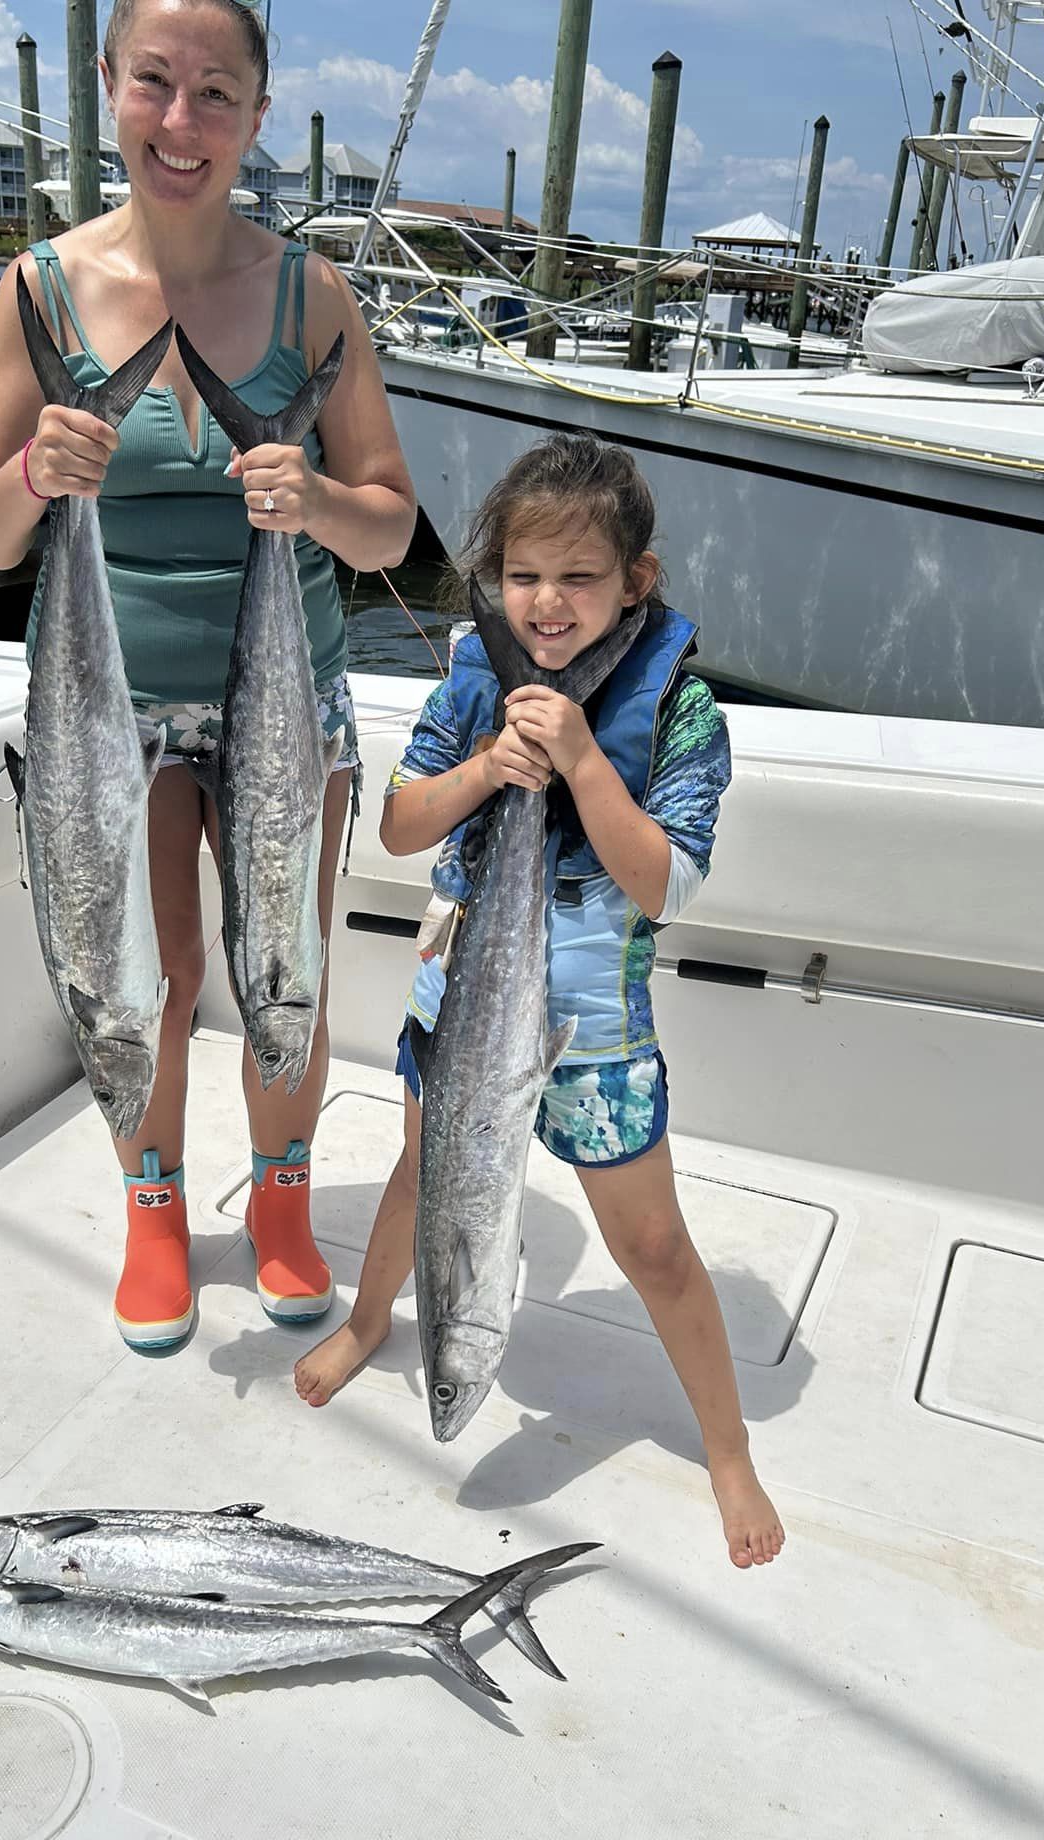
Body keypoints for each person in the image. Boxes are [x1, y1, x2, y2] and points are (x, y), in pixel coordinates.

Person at [0, 0, 416, 1353]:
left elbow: (392, 525)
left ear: (258, 114)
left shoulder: (310, 297)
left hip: (285, 695)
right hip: (103, 702)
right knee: (140, 965)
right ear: (110, 88)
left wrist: (318, 496)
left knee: (290, 961)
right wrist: (37, 472)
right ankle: (154, 1209)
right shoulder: (36, 292)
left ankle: (280, 1210)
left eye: (217, 92)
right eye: (156, 82)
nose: (182, 120)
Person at [294, 434, 784, 1570]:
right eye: (523, 578)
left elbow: (666, 878)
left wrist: (579, 758)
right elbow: (401, 824)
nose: (548, 603)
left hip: (594, 1031)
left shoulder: (684, 711)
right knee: (425, 1169)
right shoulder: (475, 682)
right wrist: (490, 769)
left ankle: (724, 1443)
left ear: (636, 583)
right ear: (496, 579)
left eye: (580, 578)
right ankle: (373, 1321)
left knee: (653, 1243)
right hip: (462, 1000)